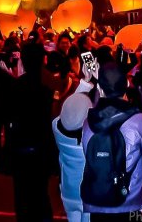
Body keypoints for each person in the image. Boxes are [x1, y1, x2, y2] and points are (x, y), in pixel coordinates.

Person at [82, 62, 142, 219]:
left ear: (99, 89)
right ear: (126, 84)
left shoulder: (88, 121)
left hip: (96, 201)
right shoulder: (140, 120)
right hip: (130, 201)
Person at [0, 42, 56, 222]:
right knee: (41, 195)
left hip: (20, 150)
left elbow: (7, 118)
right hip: (42, 149)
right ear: (43, 60)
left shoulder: (16, 87)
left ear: (23, 60)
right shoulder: (49, 87)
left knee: (22, 198)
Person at [53, 59, 97, 222]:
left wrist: (84, 84)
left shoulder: (56, 127)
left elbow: (72, 109)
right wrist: (90, 81)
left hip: (68, 192)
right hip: (88, 193)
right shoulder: (92, 137)